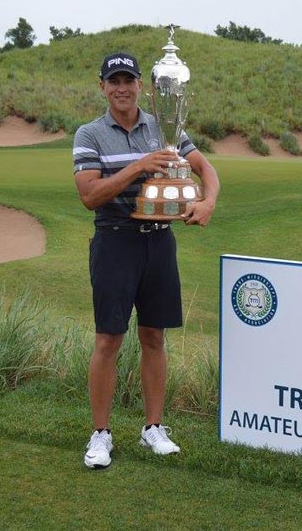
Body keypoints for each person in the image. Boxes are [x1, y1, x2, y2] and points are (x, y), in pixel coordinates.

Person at [73, 52, 219, 469]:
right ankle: (100, 434)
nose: (122, 87)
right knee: (108, 340)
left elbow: (205, 168)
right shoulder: (90, 134)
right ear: (102, 86)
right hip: (115, 242)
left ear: (143, 86)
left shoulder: (163, 126)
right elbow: (89, 196)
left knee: (154, 337)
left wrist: (209, 202)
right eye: (113, 80)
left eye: (129, 80)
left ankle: (153, 427)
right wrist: (139, 166)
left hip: (159, 243)